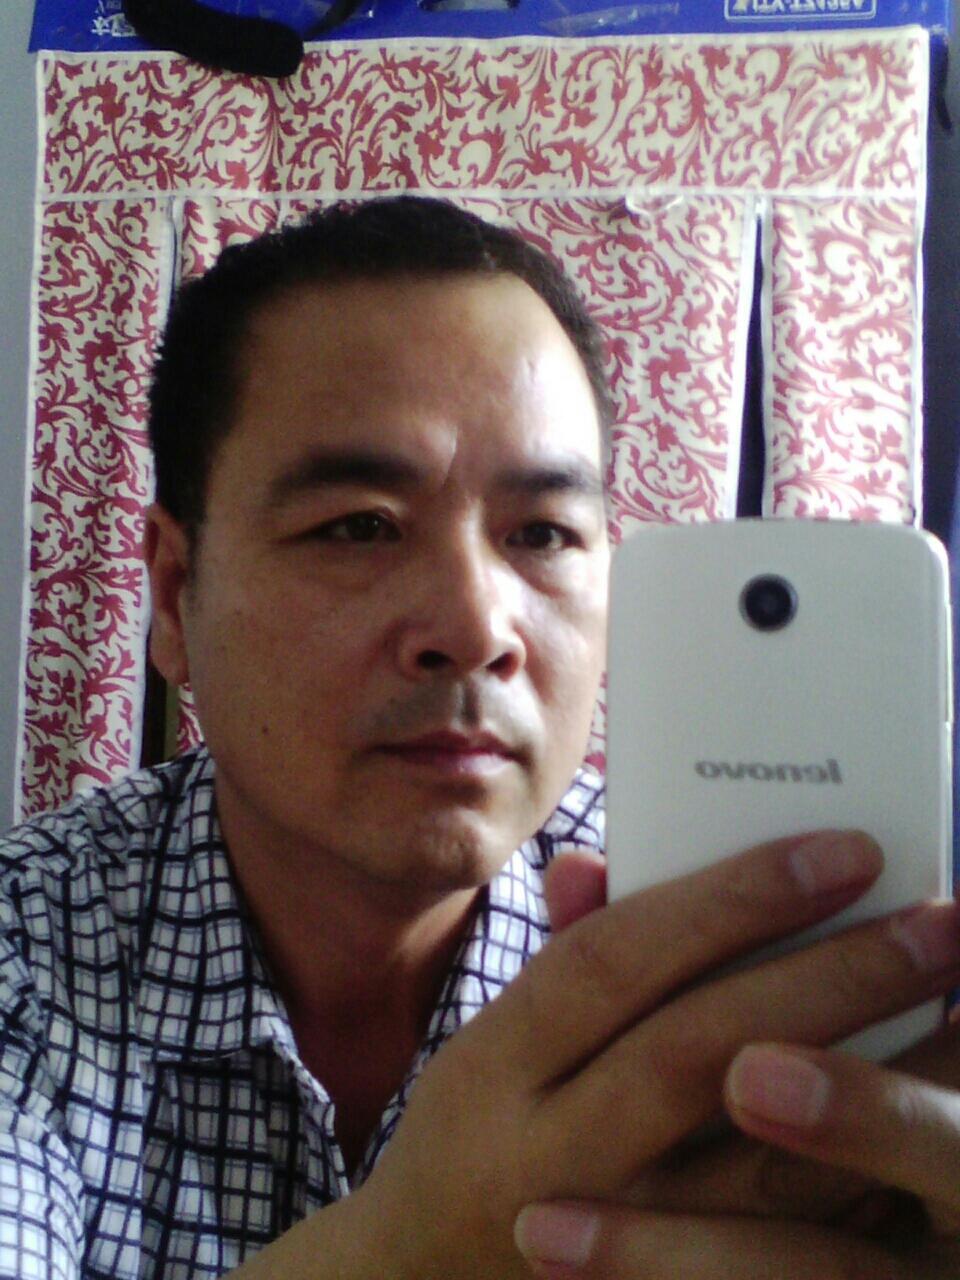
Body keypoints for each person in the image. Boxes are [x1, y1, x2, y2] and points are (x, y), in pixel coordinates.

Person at [1, 195, 958, 1280]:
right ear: (176, 596)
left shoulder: (712, 929)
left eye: (542, 532)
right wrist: (406, 1250)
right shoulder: (28, 951)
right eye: (358, 526)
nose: (475, 627)